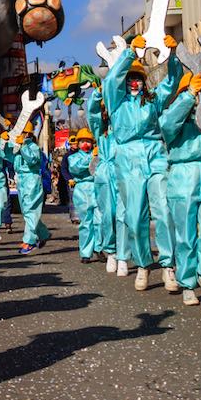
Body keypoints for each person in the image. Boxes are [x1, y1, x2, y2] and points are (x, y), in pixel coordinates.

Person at [107, 36, 182, 292]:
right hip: (127, 159)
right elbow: (110, 82)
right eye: (130, 79)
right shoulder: (116, 103)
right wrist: (129, 54)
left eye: (137, 78)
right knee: (135, 215)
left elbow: (172, 82)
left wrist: (172, 55)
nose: (134, 83)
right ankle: (141, 264)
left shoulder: (153, 100)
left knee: (163, 210)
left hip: (154, 153)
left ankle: (168, 265)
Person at [160, 72, 201, 306]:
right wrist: (188, 96)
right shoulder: (174, 113)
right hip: (182, 173)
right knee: (185, 233)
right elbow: (166, 126)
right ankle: (187, 282)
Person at [84, 87, 122, 274]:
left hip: (126, 171)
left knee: (128, 215)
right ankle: (112, 251)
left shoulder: (124, 121)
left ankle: (124, 253)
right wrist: (97, 95)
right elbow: (92, 114)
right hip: (106, 175)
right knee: (108, 215)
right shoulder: (101, 130)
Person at [9, 120, 49, 255]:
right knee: (27, 212)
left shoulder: (33, 147)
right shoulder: (17, 146)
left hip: (32, 179)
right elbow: (7, 156)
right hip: (21, 180)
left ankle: (30, 241)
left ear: (28, 134)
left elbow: (32, 159)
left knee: (31, 210)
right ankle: (43, 233)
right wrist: (3, 141)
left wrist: (23, 146)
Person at [68, 128, 100, 262]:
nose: (86, 144)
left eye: (88, 141)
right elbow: (76, 168)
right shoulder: (73, 157)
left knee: (100, 220)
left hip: (97, 187)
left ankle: (99, 248)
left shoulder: (98, 155)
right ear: (78, 143)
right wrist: (92, 158)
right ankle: (86, 252)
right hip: (82, 189)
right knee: (86, 222)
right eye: (83, 142)